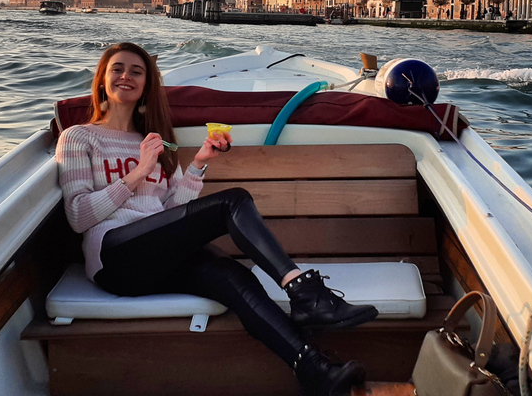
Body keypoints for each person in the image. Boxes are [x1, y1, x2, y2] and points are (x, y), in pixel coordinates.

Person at [55, 42, 378, 396]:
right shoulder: (78, 138)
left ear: (147, 85)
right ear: (102, 78)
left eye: (136, 71)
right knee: (231, 202)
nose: (126, 76)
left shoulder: (154, 141)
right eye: (117, 68)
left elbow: (168, 211)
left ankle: (315, 369)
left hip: (155, 255)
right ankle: (307, 294)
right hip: (114, 258)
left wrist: (199, 162)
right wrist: (138, 172)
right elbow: (78, 216)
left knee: (233, 275)